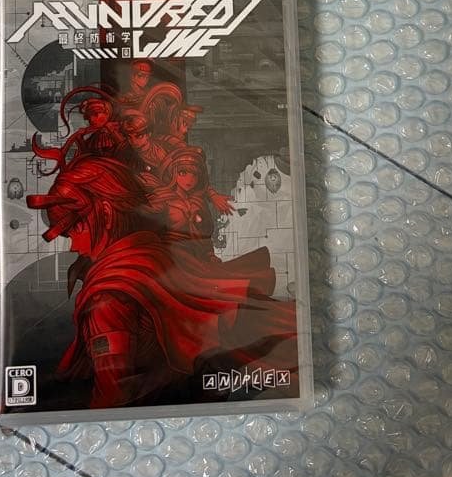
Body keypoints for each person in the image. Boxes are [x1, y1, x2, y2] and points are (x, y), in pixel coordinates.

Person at [26, 144, 298, 409]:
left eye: (75, 229)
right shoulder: (147, 253)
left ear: (106, 214)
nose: (73, 246)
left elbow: (112, 395)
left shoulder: (109, 299)